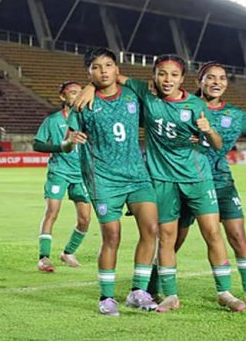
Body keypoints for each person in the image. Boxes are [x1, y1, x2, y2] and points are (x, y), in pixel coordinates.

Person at [76, 54, 246, 313]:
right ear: (153, 77)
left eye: (174, 75)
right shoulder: (146, 96)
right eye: (162, 74)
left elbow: (218, 144)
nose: (168, 79)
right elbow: (112, 77)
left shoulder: (195, 104)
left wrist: (208, 130)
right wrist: (90, 85)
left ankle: (225, 292)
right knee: (165, 237)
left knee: (213, 233)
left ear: (183, 78)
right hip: (163, 179)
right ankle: (170, 295)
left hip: (197, 178)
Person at [170, 62, 246, 310]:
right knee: (175, 240)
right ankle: (153, 285)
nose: (217, 82)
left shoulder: (235, 115)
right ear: (199, 81)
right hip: (187, 180)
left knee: (237, 236)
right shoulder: (184, 107)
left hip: (221, 182)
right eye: (210, 77)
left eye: (222, 78)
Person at [65, 49, 160, 316]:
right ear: (89, 72)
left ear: (117, 69)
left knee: (151, 229)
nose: (103, 71)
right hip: (103, 179)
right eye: (96, 67)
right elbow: (68, 138)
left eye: (108, 65)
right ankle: (106, 297)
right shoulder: (83, 104)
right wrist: (70, 140)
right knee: (112, 236)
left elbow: (156, 98)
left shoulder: (132, 95)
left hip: (137, 175)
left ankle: (138, 292)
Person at [33, 81, 91, 273]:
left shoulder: (88, 119)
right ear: (62, 96)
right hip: (59, 172)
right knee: (52, 212)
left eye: (80, 92)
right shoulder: (52, 121)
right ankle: (44, 258)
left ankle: (68, 252)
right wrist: (61, 147)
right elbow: (37, 144)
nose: (77, 95)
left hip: (82, 174)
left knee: (85, 219)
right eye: (72, 92)